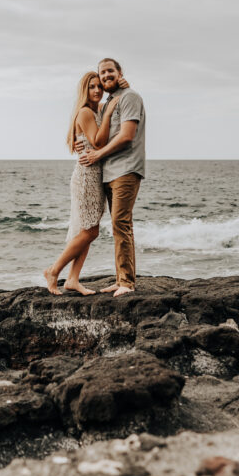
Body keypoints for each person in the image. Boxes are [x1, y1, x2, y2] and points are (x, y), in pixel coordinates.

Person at [43, 72, 123, 295]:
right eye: (92, 87)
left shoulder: (95, 110)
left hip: (94, 175)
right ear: (84, 91)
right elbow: (99, 141)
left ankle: (73, 279)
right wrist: (108, 115)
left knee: (87, 229)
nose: (97, 90)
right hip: (87, 176)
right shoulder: (87, 112)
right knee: (89, 231)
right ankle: (54, 270)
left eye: (99, 86)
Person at [77, 58, 145, 297]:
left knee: (121, 223)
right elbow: (99, 137)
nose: (105, 76)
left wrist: (96, 155)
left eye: (109, 71)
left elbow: (127, 136)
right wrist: (83, 144)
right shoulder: (107, 103)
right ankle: (121, 279)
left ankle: (127, 282)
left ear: (119, 73)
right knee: (118, 226)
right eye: (102, 72)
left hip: (126, 169)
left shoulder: (129, 97)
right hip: (109, 171)